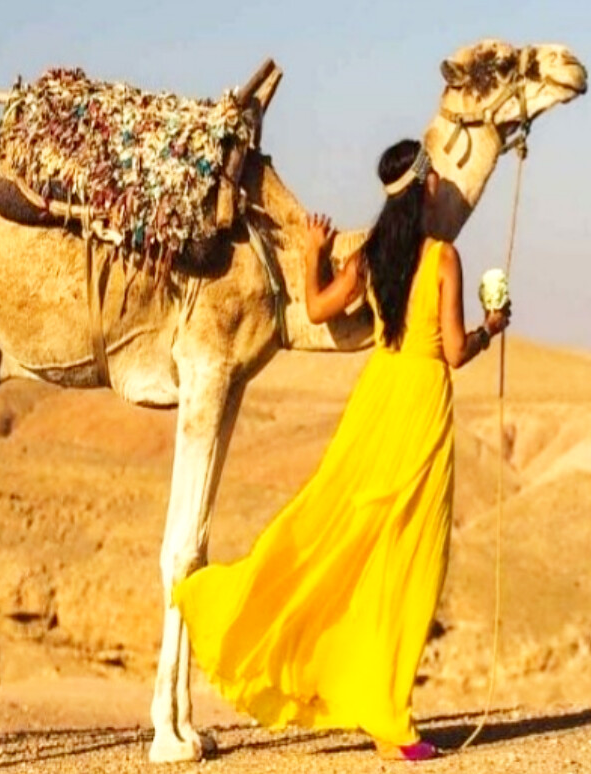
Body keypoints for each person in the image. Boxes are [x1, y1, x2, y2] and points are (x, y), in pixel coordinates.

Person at [171, 138, 512, 762]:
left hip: (376, 397)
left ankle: (377, 705)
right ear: (425, 186)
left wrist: (313, 257)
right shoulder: (444, 257)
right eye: (434, 174)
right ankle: (390, 717)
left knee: (340, 534)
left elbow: (323, 308)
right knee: (409, 561)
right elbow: (456, 352)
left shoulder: (375, 251)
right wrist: (492, 328)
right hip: (419, 407)